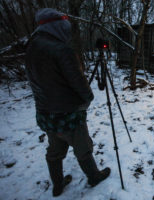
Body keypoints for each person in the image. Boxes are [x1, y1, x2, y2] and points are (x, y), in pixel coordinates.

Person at [25, 8, 110, 197]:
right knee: (83, 147)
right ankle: (94, 176)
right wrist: (87, 98)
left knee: (55, 150)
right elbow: (78, 83)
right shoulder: (61, 49)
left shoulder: (32, 45)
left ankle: (57, 184)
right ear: (57, 27)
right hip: (68, 114)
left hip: (46, 112)